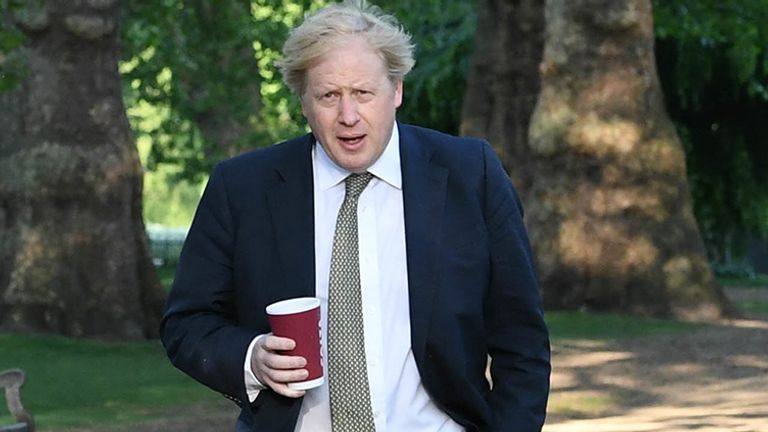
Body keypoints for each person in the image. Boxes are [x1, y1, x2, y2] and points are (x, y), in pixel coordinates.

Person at [159, 1, 550, 431]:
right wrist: (251, 358)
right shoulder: (242, 189)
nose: (348, 116)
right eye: (329, 96)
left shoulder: (470, 174)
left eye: (363, 93)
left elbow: (521, 340)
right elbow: (187, 322)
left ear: (396, 90)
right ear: (303, 102)